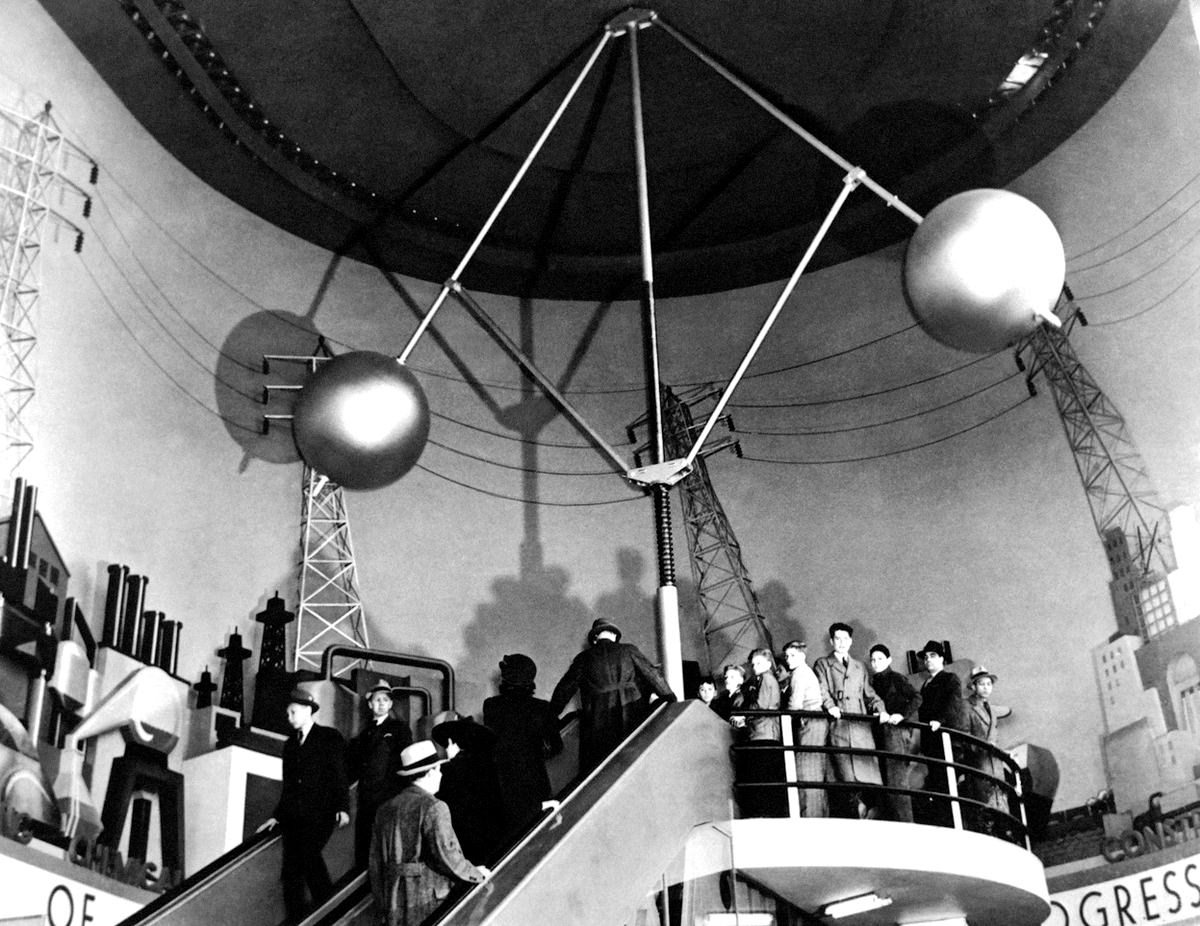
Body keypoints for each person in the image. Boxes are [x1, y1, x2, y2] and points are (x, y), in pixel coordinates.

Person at [369, 740, 490, 926]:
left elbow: (376, 864)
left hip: (393, 899)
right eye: (438, 769)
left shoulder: (385, 809)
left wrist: (381, 904)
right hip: (429, 900)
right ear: (431, 772)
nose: (441, 774)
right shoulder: (434, 807)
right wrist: (476, 873)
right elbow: (446, 855)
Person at [257, 687, 351, 922]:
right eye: (288, 713)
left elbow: (339, 775)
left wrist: (342, 807)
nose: (289, 718)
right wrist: (277, 816)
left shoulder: (330, 737)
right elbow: (288, 786)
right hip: (292, 818)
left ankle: (330, 915)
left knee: (308, 857)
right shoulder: (290, 745)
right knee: (291, 874)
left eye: (293, 712)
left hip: (321, 814)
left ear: (308, 710)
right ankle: (297, 920)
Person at [548, 618, 676, 772]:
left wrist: (552, 714)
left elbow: (564, 689)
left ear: (595, 639)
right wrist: (670, 698)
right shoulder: (629, 650)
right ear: (614, 636)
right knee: (635, 764)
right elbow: (653, 675)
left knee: (603, 770)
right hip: (632, 719)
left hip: (598, 724)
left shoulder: (583, 658)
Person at [482, 653, 563, 843]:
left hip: (502, 783)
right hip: (535, 783)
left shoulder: (492, 706)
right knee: (537, 838)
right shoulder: (543, 708)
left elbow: (489, 743)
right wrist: (537, 755)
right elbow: (557, 746)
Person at [812, 622, 883, 819]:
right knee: (844, 775)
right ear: (831, 641)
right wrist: (830, 705)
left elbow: (870, 694)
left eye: (845, 639)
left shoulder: (860, 667)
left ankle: (869, 814)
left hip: (860, 727)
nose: (842, 643)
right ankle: (855, 813)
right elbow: (821, 688)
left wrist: (881, 709)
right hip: (839, 724)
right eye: (838, 639)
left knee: (867, 776)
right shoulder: (823, 664)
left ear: (851, 641)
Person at [348, 679, 413, 868]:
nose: (381, 703)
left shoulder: (399, 729)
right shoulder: (364, 733)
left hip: (388, 797)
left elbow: (406, 762)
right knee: (364, 846)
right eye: (377, 700)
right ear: (370, 704)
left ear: (391, 704)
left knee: (385, 847)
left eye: (385, 700)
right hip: (366, 798)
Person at [430, 711, 506, 865]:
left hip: (459, 844)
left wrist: (451, 761)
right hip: (490, 840)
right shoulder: (488, 766)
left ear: (451, 742)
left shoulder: (448, 770)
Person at [867, 643, 921, 823]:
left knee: (896, 779)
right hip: (880, 732)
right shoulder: (873, 682)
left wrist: (901, 715)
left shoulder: (896, 678)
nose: (876, 663)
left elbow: (916, 698)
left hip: (896, 732)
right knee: (884, 778)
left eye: (880, 659)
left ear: (889, 660)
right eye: (873, 660)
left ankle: (906, 823)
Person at [915, 639, 966, 827]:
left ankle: (954, 824)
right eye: (926, 657)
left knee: (947, 783)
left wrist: (939, 721)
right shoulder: (925, 685)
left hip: (947, 740)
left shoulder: (950, 679)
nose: (928, 660)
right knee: (937, 784)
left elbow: (953, 703)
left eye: (933, 656)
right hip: (931, 742)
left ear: (942, 658)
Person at [781, 640, 827, 817]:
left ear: (802, 656)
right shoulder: (804, 672)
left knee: (807, 773)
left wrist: (782, 717)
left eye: (792, 655)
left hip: (811, 722)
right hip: (812, 722)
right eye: (787, 656)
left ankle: (811, 818)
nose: (788, 659)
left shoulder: (799, 674)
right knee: (813, 772)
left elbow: (795, 704)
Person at [964, 666, 1008, 831]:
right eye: (981, 684)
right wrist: (981, 748)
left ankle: (1004, 833)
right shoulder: (967, 707)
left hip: (995, 764)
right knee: (984, 807)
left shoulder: (991, 709)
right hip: (979, 763)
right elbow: (964, 735)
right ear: (973, 687)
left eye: (988, 684)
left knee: (1000, 802)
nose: (985, 687)